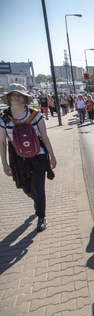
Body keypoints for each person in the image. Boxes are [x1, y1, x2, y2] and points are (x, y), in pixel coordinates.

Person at [0, 84, 57, 232]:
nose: (17, 97)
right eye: (13, 94)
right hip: (18, 158)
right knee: (24, 187)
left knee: (38, 187)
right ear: (9, 97)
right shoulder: (3, 118)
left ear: (25, 97)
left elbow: (44, 137)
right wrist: (4, 164)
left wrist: (52, 156)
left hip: (38, 156)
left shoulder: (36, 115)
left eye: (20, 95)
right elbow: (2, 142)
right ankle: (36, 199)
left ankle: (41, 216)